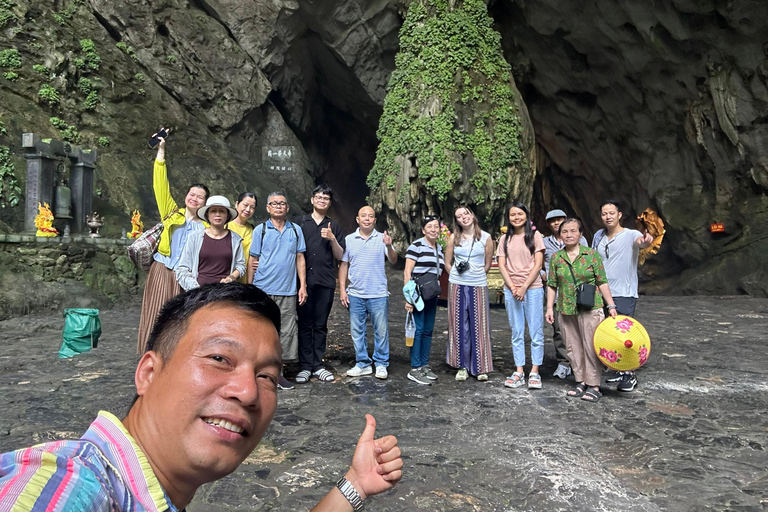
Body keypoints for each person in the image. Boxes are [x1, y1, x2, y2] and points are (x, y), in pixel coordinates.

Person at [0, 284, 403, 511]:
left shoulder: (146, 492)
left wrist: (354, 485)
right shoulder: (72, 488)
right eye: (219, 358)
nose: (248, 392)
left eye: (267, 375)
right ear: (148, 373)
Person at [137, 129, 209, 354]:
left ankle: (175, 357)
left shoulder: (206, 226)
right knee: (156, 313)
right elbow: (160, 185)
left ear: (205, 203)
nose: (194, 198)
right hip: (163, 269)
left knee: (180, 318)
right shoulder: (171, 212)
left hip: (185, 276)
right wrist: (161, 153)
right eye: (191, 193)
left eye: (199, 197)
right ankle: (152, 356)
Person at [546, 218, 617, 403]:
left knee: (591, 346)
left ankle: (594, 385)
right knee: (572, 347)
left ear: (580, 234)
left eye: (573, 231)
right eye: (565, 232)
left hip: (590, 307)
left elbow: (602, 281)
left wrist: (611, 306)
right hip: (566, 308)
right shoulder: (556, 258)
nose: (569, 235)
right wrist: (549, 308)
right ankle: (580, 381)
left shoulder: (591, 255)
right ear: (560, 235)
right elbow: (552, 285)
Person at [247, 192, 307, 391]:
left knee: (286, 331)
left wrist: (302, 286)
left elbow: (300, 258)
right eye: (274, 203)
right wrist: (250, 287)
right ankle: (258, 371)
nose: (279, 206)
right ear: (268, 208)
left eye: (282, 203)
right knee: (260, 331)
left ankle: (279, 373)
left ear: (287, 208)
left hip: (288, 290)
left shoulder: (296, 230)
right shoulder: (260, 230)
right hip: (263, 288)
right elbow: (252, 259)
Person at [592, 200, 654, 392]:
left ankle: (629, 374)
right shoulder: (598, 236)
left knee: (624, 335)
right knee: (607, 332)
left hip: (624, 292)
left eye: (611, 213)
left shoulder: (630, 235)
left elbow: (641, 242)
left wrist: (646, 240)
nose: (608, 217)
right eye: (604, 214)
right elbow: (594, 260)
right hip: (601, 291)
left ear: (619, 215)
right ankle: (617, 368)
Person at [339, 206, 398, 379]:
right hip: (355, 293)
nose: (367, 219)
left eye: (370, 216)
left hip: (378, 293)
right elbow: (344, 265)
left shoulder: (382, 238)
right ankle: (363, 363)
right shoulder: (349, 240)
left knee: (381, 330)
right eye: (363, 216)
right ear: (357, 219)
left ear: (374, 220)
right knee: (357, 331)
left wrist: (389, 246)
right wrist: (342, 290)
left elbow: (393, 260)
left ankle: (381, 363)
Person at [294, 185, 346, 384]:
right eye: (319, 197)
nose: (322, 200)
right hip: (303, 281)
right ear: (312, 200)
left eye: (326, 198)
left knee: (321, 324)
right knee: (305, 323)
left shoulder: (335, 226)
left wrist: (332, 239)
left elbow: (341, 256)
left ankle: (318, 365)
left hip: (325, 281)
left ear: (329, 203)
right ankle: (305, 366)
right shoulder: (300, 223)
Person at [497, 202, 546, 390]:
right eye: (512, 215)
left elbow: (538, 264)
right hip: (512, 289)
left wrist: (524, 287)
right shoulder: (504, 239)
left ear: (526, 215)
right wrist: (513, 287)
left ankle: (535, 371)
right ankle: (519, 370)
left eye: (520, 214)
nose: (516, 217)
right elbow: (502, 265)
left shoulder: (535, 236)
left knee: (535, 331)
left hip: (532, 288)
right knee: (516, 331)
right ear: (508, 218)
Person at [444, 205, 494, 381]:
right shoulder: (453, 238)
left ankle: (480, 367)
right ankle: (462, 366)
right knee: (458, 325)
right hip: (457, 285)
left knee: (479, 325)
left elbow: (487, 264)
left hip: (478, 284)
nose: (463, 217)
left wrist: (476, 275)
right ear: (456, 221)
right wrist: (456, 276)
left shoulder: (486, 238)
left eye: (466, 213)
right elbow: (447, 262)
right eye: (459, 216)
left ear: (472, 215)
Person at [541, 209, 588, 380]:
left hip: (578, 292)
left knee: (582, 327)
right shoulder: (545, 242)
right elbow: (536, 261)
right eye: (552, 220)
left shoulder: (580, 240)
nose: (556, 223)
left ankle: (582, 362)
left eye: (559, 219)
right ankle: (564, 362)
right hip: (556, 292)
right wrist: (542, 274)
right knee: (560, 330)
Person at [403, 215, 445, 385]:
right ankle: (415, 368)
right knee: (418, 330)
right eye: (429, 226)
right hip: (417, 294)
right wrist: (408, 299)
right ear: (423, 230)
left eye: (436, 227)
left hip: (431, 295)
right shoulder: (416, 246)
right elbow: (407, 272)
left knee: (428, 330)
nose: (433, 230)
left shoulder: (439, 248)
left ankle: (424, 364)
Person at [175, 196, 246, 290]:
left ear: (227, 215)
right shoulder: (194, 237)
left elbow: (241, 265)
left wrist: (231, 277)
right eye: (213, 211)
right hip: (197, 291)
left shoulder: (235, 239)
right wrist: (195, 290)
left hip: (225, 292)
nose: (217, 214)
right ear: (207, 214)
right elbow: (182, 268)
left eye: (222, 211)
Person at [227, 192, 257, 283]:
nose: (248, 209)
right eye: (245, 205)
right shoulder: (225, 226)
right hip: (227, 277)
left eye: (252, 207)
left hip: (246, 279)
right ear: (237, 204)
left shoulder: (253, 229)